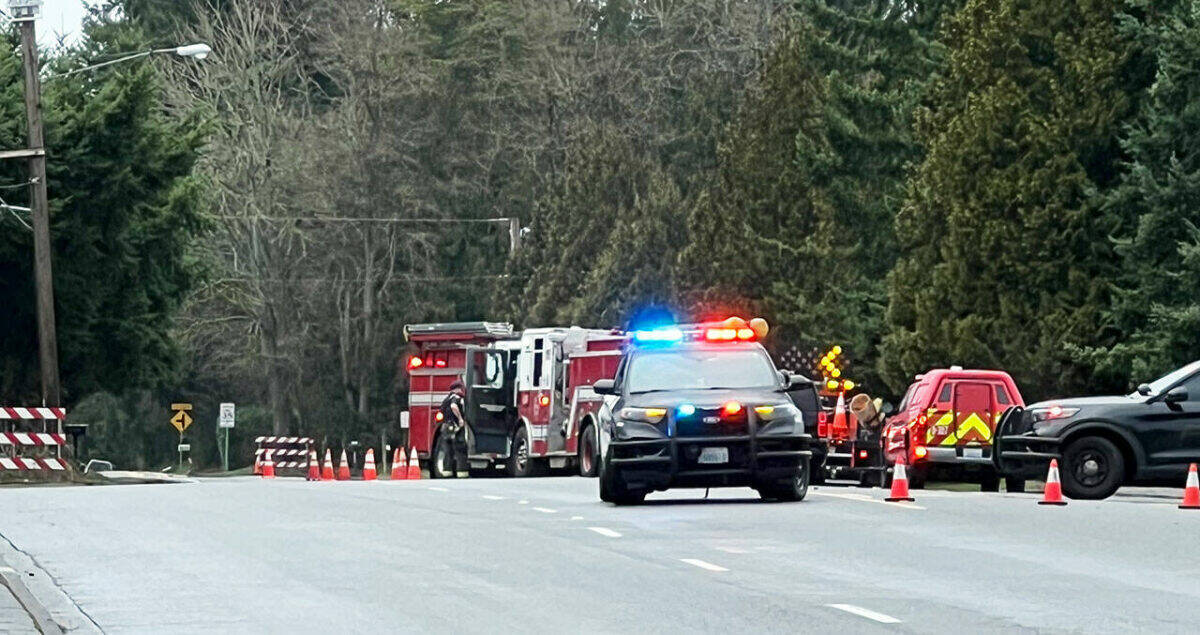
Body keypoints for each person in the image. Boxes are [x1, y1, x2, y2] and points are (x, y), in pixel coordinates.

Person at [437, 380, 470, 478]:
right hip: (456, 428)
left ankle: (447, 471)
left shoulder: (446, 399)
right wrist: (460, 419)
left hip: (446, 428)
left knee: (448, 450)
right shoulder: (457, 398)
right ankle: (462, 472)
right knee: (460, 450)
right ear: (458, 389)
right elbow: (454, 406)